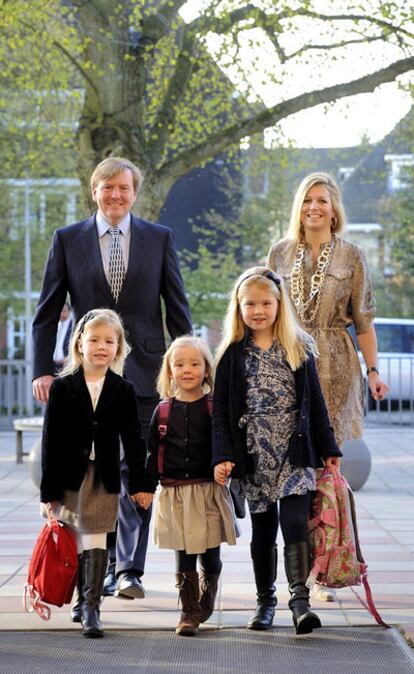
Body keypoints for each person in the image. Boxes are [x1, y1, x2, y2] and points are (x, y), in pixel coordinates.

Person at [32, 157, 192, 601]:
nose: (116, 195)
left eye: (123, 188)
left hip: (144, 372)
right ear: (95, 192)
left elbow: (176, 309)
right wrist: (42, 369)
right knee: (89, 470)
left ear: (134, 193)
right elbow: (46, 313)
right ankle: (95, 566)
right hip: (86, 374)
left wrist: (186, 370)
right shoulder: (68, 240)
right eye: (107, 188)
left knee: (135, 468)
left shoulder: (159, 239)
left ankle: (128, 571)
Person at [266, 171, 389, 601]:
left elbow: (365, 320)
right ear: (298, 208)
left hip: (336, 366)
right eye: (307, 200)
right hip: (289, 364)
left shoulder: (352, 256)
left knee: (326, 469)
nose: (314, 207)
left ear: (334, 208)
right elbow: (265, 309)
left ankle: (328, 567)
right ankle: (298, 571)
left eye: (322, 200)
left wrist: (373, 371)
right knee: (294, 469)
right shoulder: (279, 253)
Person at [212, 267, 342, 635]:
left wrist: (328, 445)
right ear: (238, 307)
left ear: (279, 304)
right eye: (249, 303)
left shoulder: (298, 347)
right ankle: (264, 601)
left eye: (266, 303)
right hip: (254, 453)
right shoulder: (232, 356)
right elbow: (221, 413)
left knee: (296, 523)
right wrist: (223, 456)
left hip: (294, 450)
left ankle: (300, 602)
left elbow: (315, 402)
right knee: (263, 530)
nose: (258, 310)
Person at [40, 309, 147, 638]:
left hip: (104, 477)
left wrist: (141, 485)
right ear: (79, 345)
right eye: (94, 339)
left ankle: (91, 606)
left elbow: (133, 440)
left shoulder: (123, 390)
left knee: (97, 536)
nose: (102, 346)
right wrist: (49, 494)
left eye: (110, 341)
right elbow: (51, 442)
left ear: (119, 348)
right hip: (69, 476)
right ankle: (78, 599)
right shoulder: (63, 388)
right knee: (74, 539)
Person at [136, 335, 238, 636]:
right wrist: (145, 486)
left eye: (195, 363)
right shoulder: (163, 411)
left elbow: (225, 442)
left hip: (207, 490)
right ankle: (188, 611)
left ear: (206, 370)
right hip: (176, 493)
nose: (187, 369)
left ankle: (209, 590)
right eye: (179, 364)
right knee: (183, 552)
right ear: (169, 371)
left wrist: (227, 464)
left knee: (209, 552)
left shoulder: (213, 408)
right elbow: (153, 452)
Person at [53, 302, 72, 374]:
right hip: (53, 365)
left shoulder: (73, 326)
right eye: (59, 311)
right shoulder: (53, 326)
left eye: (64, 311)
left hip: (66, 364)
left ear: (69, 312)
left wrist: (69, 358)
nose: (61, 314)